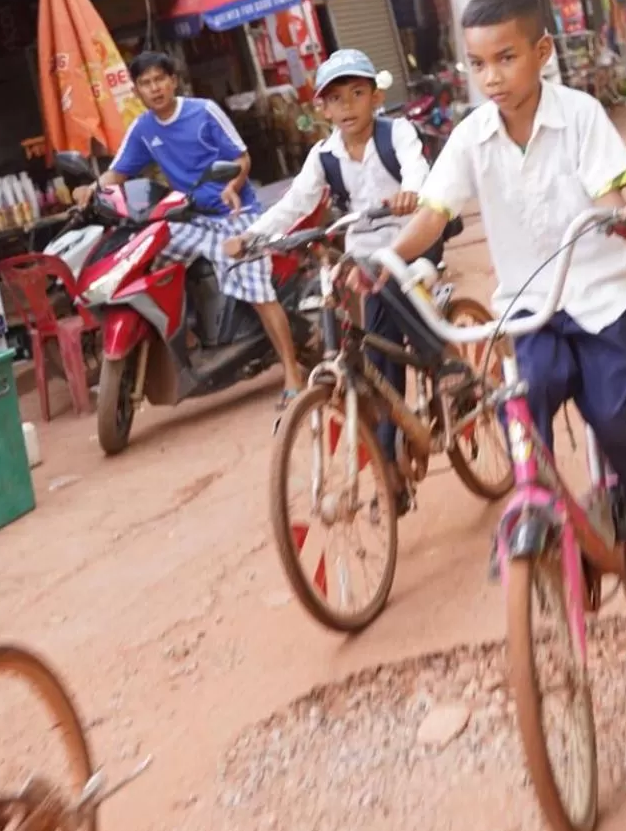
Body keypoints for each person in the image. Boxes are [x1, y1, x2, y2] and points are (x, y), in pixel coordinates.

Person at [381, 0, 626, 569]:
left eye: (506, 58)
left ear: (542, 52)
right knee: (522, 396)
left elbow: (612, 193)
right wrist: (384, 259)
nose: (491, 76)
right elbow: (433, 213)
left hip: (602, 298)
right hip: (528, 305)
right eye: (478, 63)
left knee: (613, 409)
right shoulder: (470, 137)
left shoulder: (580, 116)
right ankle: (535, 499)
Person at [224, 48, 432, 506]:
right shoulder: (324, 156)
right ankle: (391, 469)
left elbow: (416, 166)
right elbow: (295, 204)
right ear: (323, 109)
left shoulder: (395, 132)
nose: (348, 107)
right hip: (364, 256)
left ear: (375, 97)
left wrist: (413, 192)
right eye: (336, 99)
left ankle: (448, 368)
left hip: (414, 238)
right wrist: (252, 236)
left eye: (357, 94)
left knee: (399, 297)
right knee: (377, 358)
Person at [75, 51, 305, 405]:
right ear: (137, 90)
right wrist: (93, 189)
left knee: (255, 285)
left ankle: (291, 371)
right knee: (144, 254)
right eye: (146, 83)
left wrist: (232, 185)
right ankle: (191, 336)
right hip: (189, 216)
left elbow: (241, 157)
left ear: (173, 80)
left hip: (234, 214)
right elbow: (117, 172)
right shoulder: (143, 128)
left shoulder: (203, 112)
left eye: (159, 80)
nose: (155, 88)